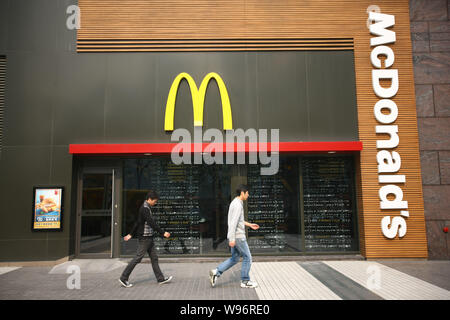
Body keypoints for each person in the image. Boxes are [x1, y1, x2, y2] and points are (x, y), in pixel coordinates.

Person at [209, 184, 260, 288]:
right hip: (238, 237)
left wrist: (250, 224)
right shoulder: (237, 204)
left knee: (235, 258)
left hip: (235, 236)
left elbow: (239, 221)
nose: (248, 195)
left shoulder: (236, 202)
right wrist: (231, 239)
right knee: (248, 258)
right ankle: (245, 281)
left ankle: (216, 272)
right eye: (247, 193)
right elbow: (233, 223)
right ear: (242, 192)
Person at [119, 190, 172, 288]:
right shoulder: (145, 209)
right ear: (150, 199)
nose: (155, 203)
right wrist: (163, 232)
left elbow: (138, 222)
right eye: (155, 201)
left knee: (154, 258)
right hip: (145, 238)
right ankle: (123, 278)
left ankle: (160, 279)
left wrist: (131, 234)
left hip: (149, 237)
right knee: (138, 258)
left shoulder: (146, 207)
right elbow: (151, 222)